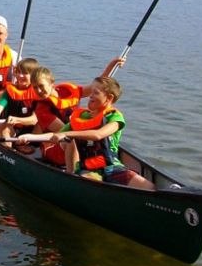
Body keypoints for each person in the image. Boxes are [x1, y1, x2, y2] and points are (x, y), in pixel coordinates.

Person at [19, 76, 155, 190]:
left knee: (149, 188)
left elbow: (98, 135)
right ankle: (71, 178)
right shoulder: (81, 117)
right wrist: (30, 137)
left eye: (95, 93)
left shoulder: (115, 117)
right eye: (91, 92)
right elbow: (55, 135)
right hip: (87, 169)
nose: (90, 96)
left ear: (109, 98)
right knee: (92, 184)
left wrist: (67, 134)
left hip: (112, 167)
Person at [28, 57, 125, 165]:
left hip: (78, 138)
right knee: (72, 140)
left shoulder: (67, 92)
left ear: (52, 83)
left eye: (41, 86)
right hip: (57, 146)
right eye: (35, 88)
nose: (39, 91)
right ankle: (76, 171)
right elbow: (64, 132)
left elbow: (97, 87)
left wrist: (112, 64)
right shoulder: (41, 108)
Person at [0, 57, 41, 144]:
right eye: (18, 72)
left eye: (25, 73)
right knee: (4, 128)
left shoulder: (39, 92)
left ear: (34, 76)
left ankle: (30, 145)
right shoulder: (9, 92)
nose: (20, 76)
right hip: (13, 128)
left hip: (32, 129)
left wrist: (17, 120)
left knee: (41, 125)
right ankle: (8, 149)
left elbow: (34, 119)